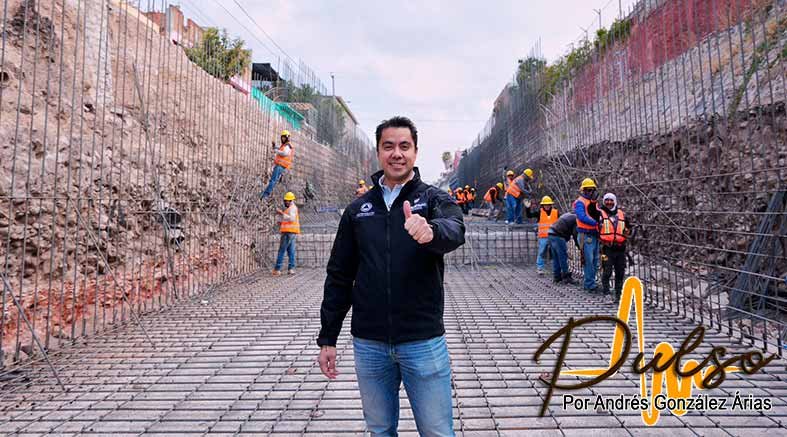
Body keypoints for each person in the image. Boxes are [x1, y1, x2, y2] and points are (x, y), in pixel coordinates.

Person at [317, 116, 465, 436]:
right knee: (380, 429)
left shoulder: (433, 199)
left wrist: (431, 231)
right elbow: (339, 275)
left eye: (404, 146)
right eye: (388, 146)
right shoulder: (358, 210)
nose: (396, 153)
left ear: (415, 151)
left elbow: (456, 229)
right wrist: (328, 338)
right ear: (378, 152)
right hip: (370, 344)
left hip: (422, 341)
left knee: (437, 431)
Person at [598, 193, 633, 302]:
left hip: (620, 249)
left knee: (620, 272)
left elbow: (629, 228)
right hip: (606, 248)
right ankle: (606, 293)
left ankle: (619, 294)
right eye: (606, 200)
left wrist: (627, 233)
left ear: (615, 201)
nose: (609, 203)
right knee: (607, 271)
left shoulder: (622, 215)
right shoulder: (600, 214)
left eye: (611, 200)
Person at [574, 178, 601, 293]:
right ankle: (589, 283)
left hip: (594, 234)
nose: (590, 192)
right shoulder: (580, 202)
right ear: (583, 190)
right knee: (588, 259)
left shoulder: (594, 203)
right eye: (588, 190)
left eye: (591, 190)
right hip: (585, 234)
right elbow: (581, 216)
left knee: (595, 259)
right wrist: (595, 223)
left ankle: (591, 282)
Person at [525, 196, 558, 275]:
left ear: (551, 205)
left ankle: (555, 268)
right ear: (543, 205)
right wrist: (527, 208)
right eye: (545, 205)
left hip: (553, 236)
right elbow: (529, 215)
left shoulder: (556, 212)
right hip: (543, 237)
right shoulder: (539, 212)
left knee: (554, 252)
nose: (547, 206)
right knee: (542, 252)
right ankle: (540, 268)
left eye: (548, 204)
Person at [547, 213, 580, 284]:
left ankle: (557, 276)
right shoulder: (576, 219)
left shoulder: (568, 215)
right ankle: (566, 277)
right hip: (558, 235)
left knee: (556, 257)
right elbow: (575, 234)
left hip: (550, 233)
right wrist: (578, 246)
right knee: (562, 257)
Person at [261, 130, 294, 198]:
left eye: (284, 137)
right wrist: (275, 147)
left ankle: (265, 195)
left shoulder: (287, 146)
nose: (282, 139)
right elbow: (281, 149)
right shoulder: (285, 145)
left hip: (280, 166)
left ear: (287, 137)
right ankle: (266, 194)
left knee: (273, 180)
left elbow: (285, 153)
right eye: (282, 137)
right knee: (273, 180)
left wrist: (276, 151)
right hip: (280, 166)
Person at [272, 191, 299, 276]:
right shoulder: (290, 208)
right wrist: (281, 222)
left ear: (290, 200)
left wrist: (281, 213)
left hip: (288, 232)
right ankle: (291, 269)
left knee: (282, 250)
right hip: (291, 232)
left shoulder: (292, 208)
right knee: (291, 251)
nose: (285, 202)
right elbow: (288, 220)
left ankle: (277, 269)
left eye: (286, 201)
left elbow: (291, 219)